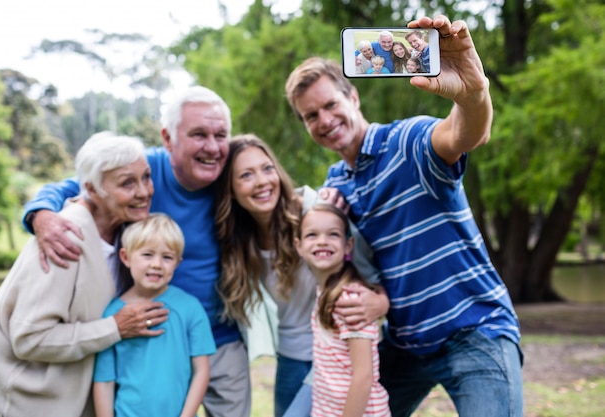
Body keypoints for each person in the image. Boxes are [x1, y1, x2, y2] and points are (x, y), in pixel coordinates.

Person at [284, 15, 523, 417]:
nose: (324, 120)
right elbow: (348, 263)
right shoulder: (335, 186)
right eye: (311, 116)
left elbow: (467, 134)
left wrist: (473, 94)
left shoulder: (406, 142)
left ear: (353, 98)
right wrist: (376, 299)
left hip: (474, 329)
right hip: (405, 342)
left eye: (330, 105)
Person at [20, 86, 251, 417]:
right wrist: (41, 216)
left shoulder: (232, 175)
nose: (212, 147)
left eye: (221, 135)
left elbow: (273, 192)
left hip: (218, 334)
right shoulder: (142, 171)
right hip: (143, 333)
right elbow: (69, 186)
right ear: (168, 139)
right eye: (199, 134)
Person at [0, 133, 166, 417]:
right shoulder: (65, 237)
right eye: (127, 182)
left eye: (146, 177)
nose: (144, 191)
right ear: (92, 188)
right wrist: (114, 328)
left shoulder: (125, 230)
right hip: (22, 397)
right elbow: (30, 337)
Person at [215, 134, 388, 417]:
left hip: (341, 354)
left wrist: (382, 303)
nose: (261, 181)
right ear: (230, 190)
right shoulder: (237, 239)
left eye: (267, 168)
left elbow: (367, 270)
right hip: (291, 358)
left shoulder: (314, 210)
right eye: (246, 175)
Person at [93, 213, 216, 417]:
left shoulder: (190, 308)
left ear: (177, 263)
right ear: (125, 257)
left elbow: (201, 372)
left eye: (167, 257)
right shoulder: (113, 314)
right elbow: (104, 380)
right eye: (147, 255)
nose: (157, 264)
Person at [295, 203, 390, 417]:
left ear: (348, 246)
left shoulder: (350, 301)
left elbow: (363, 377)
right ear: (298, 246)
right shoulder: (323, 292)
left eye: (333, 234)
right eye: (312, 235)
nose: (322, 241)